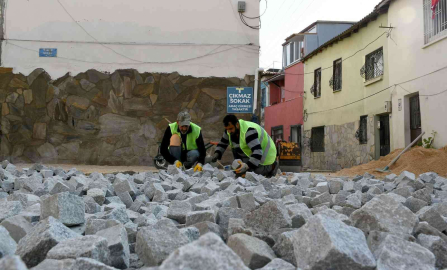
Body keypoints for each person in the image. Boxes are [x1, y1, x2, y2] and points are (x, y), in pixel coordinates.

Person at [212, 114, 278, 177]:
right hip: (252, 153)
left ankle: (272, 166)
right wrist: (217, 153)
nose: (229, 131)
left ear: (237, 124)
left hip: (266, 155)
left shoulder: (249, 131)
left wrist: (247, 166)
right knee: (240, 171)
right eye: (227, 129)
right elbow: (223, 143)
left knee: (252, 173)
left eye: (231, 129)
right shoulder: (229, 131)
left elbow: (257, 152)